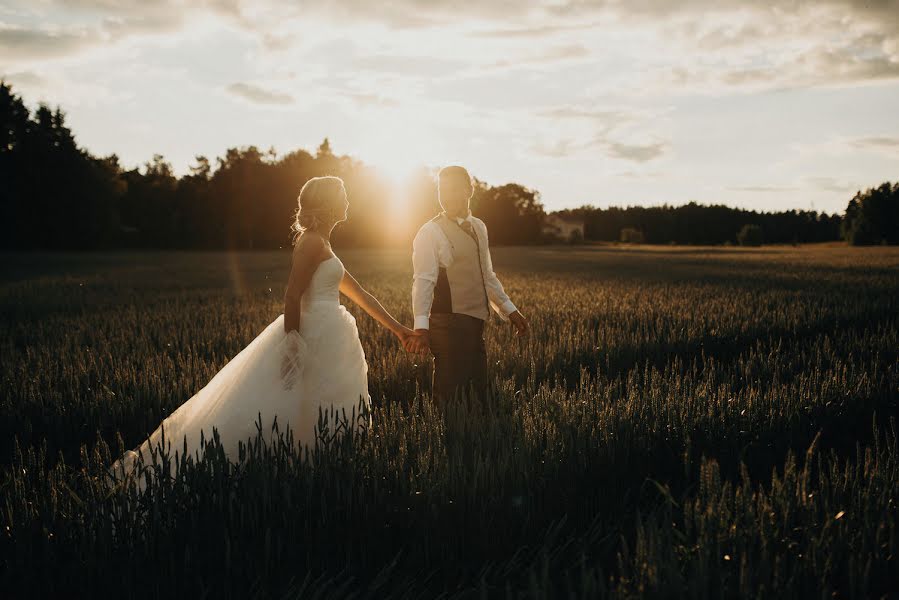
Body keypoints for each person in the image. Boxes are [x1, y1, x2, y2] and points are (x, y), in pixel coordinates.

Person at [108, 175, 424, 490]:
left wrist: (399, 330)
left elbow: (361, 295)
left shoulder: (324, 244)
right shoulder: (312, 242)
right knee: (292, 406)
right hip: (311, 334)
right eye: (343, 195)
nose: (348, 201)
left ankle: (316, 472)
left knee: (320, 406)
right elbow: (291, 296)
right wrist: (293, 346)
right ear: (329, 203)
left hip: (332, 336)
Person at [405, 165, 529, 408]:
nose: (447, 196)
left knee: (478, 395)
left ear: (469, 191)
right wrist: (421, 328)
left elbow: (487, 275)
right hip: (446, 323)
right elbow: (423, 281)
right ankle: (445, 442)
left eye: (453, 189)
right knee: (449, 398)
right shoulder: (429, 232)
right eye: (442, 190)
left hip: (475, 323)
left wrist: (510, 311)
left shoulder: (479, 227)